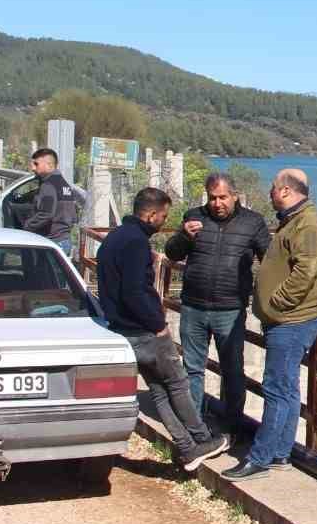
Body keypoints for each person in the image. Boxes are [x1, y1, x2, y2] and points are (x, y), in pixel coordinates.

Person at [97, 186, 230, 472]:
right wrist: (157, 324)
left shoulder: (115, 238)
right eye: (163, 216)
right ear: (152, 214)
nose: (162, 222)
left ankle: (186, 448)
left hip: (121, 328)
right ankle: (202, 439)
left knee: (158, 389)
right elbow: (135, 290)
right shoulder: (135, 243)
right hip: (143, 330)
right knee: (177, 383)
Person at [224, 168, 317, 480]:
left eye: (273, 188)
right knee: (287, 389)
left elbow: (307, 270)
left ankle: (260, 457)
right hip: (288, 320)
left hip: (291, 321)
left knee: (276, 389)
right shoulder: (295, 221)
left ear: (285, 191)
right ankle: (281, 454)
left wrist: (276, 303)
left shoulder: (308, 224)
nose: (270, 193)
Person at [163, 171, 272, 432]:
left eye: (223, 197)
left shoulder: (253, 222)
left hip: (231, 310)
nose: (217, 203)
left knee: (232, 371)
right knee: (192, 370)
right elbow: (172, 253)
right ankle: (194, 428)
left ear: (234, 196)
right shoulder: (193, 217)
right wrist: (183, 236)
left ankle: (232, 426)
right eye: (213, 198)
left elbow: (270, 260)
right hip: (193, 307)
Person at [25, 147, 79, 254]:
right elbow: (73, 215)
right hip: (64, 241)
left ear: (49, 165)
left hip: (52, 242)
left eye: (36, 164)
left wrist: (27, 227)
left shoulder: (48, 185)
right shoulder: (63, 184)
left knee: (42, 271)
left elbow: (46, 214)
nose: (33, 168)